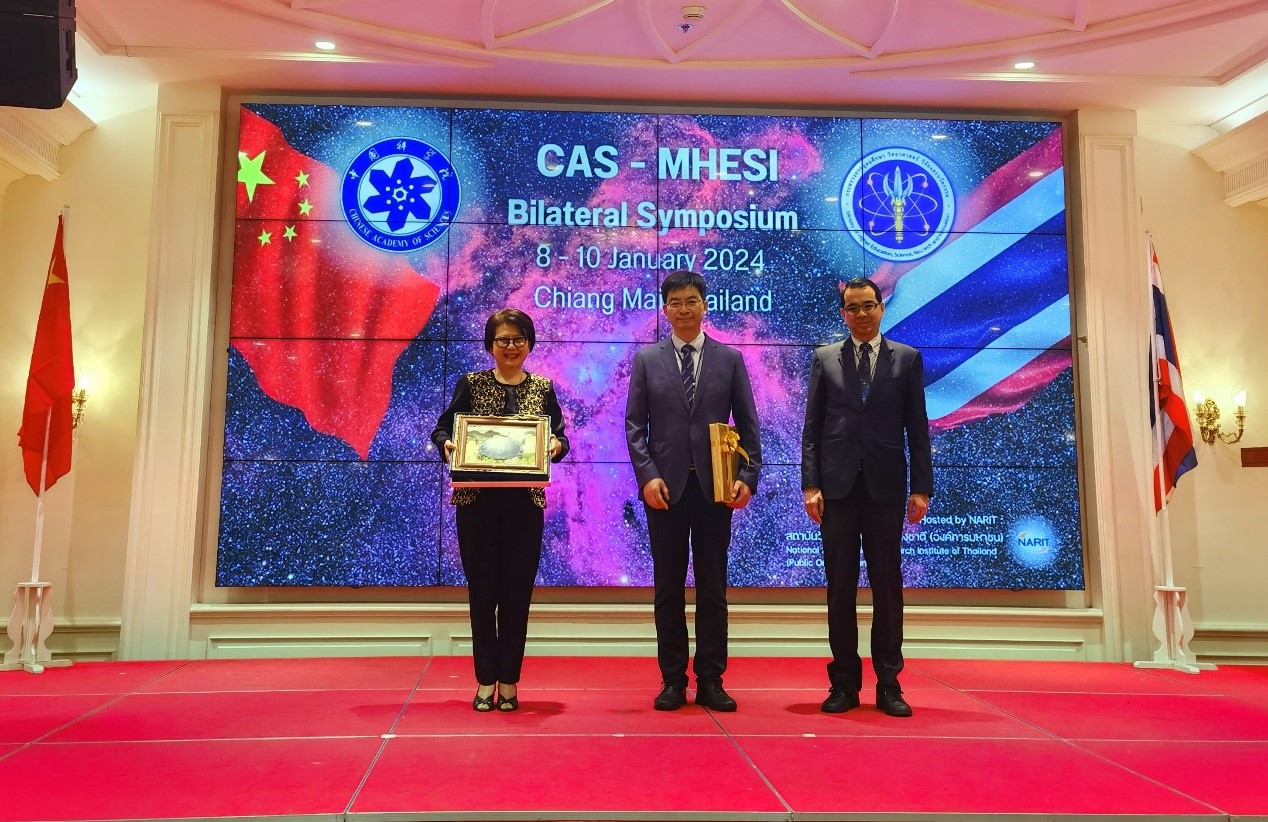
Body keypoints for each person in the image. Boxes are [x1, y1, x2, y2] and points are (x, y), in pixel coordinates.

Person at [625, 270, 762, 712]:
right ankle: (672, 680)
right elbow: (634, 426)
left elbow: (749, 424)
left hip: (714, 489)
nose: (684, 309)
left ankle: (711, 679)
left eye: (691, 301)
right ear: (665, 309)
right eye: (675, 302)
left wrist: (748, 476)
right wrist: (647, 476)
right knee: (667, 589)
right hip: (664, 490)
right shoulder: (647, 359)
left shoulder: (729, 359)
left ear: (705, 306)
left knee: (712, 588)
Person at [800, 277, 932, 717]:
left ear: (881, 307)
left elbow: (918, 427)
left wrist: (921, 487)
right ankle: (843, 683)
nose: (861, 314)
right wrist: (810, 485)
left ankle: (889, 685)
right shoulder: (824, 358)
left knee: (887, 589)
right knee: (839, 588)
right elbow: (812, 429)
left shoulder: (907, 358)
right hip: (836, 490)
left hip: (886, 488)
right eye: (852, 308)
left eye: (868, 306)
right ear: (843, 313)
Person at [432, 308, 569, 713]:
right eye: (503, 340)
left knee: (516, 595)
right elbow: (443, 428)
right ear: (490, 345)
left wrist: (557, 445)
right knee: (482, 594)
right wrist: (446, 444)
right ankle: (484, 681)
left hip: (525, 505)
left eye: (518, 339)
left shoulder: (543, 388)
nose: (511, 347)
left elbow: (560, 437)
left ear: (529, 343)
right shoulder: (471, 383)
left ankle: (509, 681)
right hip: (477, 505)